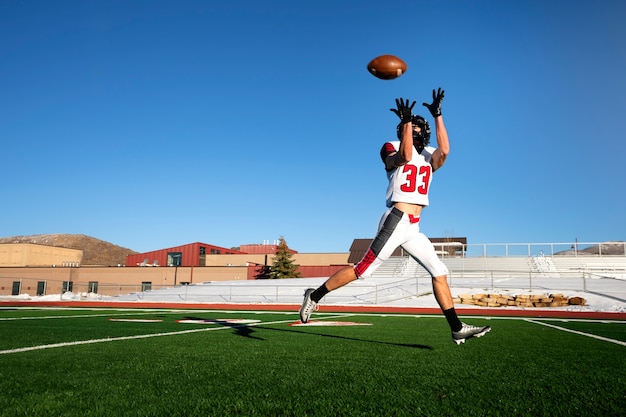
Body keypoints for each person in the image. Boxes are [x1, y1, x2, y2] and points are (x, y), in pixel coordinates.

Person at [299, 88, 491, 345]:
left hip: (414, 225)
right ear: (404, 130)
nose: (418, 132)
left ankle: (456, 328)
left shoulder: (429, 155)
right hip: (396, 218)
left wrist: (438, 115)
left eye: (420, 129)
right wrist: (408, 124)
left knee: (439, 272)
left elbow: (445, 152)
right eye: (413, 128)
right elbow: (403, 157)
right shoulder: (392, 146)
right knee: (362, 271)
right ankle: (315, 295)